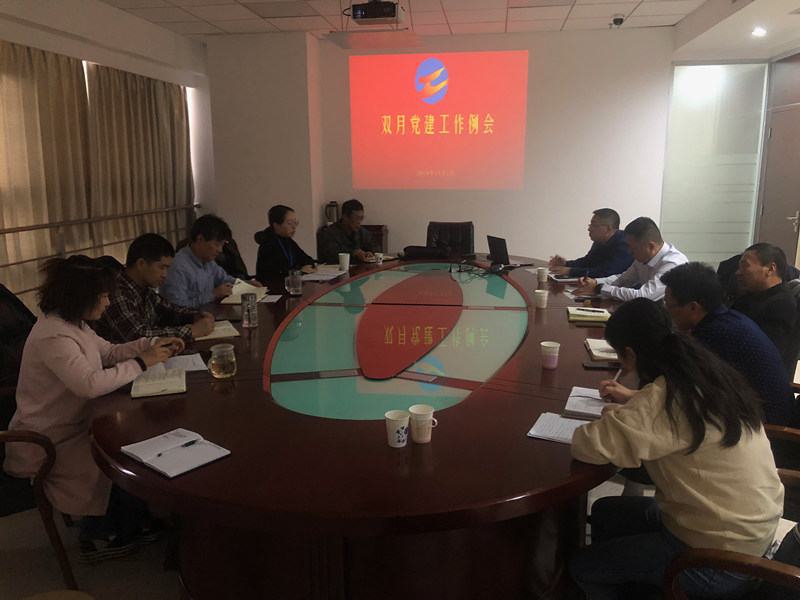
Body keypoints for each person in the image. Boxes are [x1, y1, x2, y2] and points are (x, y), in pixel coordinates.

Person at [569, 298, 783, 599]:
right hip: (746, 533)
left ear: (630, 353)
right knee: (608, 512)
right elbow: (672, 416)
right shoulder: (704, 372)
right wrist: (633, 403)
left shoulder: (664, 398)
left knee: (582, 566)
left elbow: (587, 445)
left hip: (717, 560)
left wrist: (617, 417)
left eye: (619, 355)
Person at [3, 255, 183, 562]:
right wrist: (142, 363)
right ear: (81, 297)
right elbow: (88, 385)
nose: (108, 302)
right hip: (48, 437)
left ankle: (133, 518)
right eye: (103, 296)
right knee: (113, 455)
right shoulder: (53, 334)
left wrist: (150, 343)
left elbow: (109, 352)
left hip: (75, 422)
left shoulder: (75, 325)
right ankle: (100, 533)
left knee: (128, 440)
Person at [661, 262, 797, 427]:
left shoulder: (712, 335)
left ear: (693, 307)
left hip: (767, 428)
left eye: (669, 306)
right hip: (768, 415)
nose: (667, 312)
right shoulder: (729, 319)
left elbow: (685, 388)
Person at [93, 234, 215, 344]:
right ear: (141, 264)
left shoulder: (144, 289)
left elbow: (168, 309)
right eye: (162, 267)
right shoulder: (117, 291)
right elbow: (137, 335)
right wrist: (191, 331)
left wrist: (196, 316)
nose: (165, 274)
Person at [574, 216, 687, 301]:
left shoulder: (672, 264)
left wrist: (599, 288)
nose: (629, 252)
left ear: (651, 247)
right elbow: (623, 280)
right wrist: (595, 282)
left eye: (633, 248)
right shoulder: (642, 258)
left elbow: (644, 296)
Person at [161, 214, 260, 308]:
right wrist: (213, 294)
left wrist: (247, 285)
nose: (220, 250)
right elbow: (176, 307)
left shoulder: (209, 261)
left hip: (209, 315)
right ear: (200, 239)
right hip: (189, 319)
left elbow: (225, 279)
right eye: (217, 245)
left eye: (222, 245)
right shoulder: (178, 267)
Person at [732, 243, 798, 375]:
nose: (738, 273)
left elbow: (762, 357)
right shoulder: (749, 296)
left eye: (745, 266)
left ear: (770, 269)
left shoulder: (780, 305)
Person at [549, 208, 633, 278]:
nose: (589, 229)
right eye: (590, 225)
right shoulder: (600, 240)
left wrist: (570, 271)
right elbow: (588, 261)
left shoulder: (625, 243)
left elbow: (606, 273)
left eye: (594, 225)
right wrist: (566, 264)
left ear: (608, 229)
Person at [254, 204, 316, 282]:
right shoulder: (267, 244)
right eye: (290, 223)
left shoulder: (288, 240)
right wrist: (299, 270)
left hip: (291, 284)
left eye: (295, 222)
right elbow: (275, 273)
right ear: (276, 225)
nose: (294, 227)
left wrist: (306, 267)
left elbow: (307, 259)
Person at [318, 199, 379, 264]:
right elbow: (331, 255)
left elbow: (376, 248)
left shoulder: (363, 233)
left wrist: (370, 252)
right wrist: (353, 253)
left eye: (361, 218)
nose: (359, 222)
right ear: (345, 216)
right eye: (355, 218)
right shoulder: (330, 233)